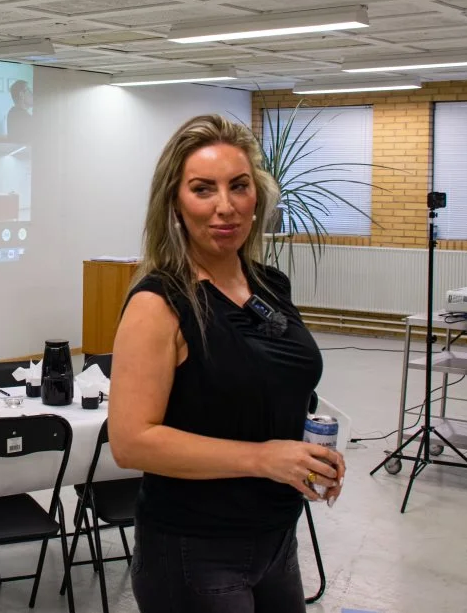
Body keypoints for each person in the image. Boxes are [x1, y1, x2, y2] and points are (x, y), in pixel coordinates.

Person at [108, 114, 345, 613]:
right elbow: (131, 442)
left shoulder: (269, 285)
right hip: (194, 549)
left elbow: (272, 391)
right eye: (202, 189)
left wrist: (308, 454)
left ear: (257, 195)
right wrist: (262, 458)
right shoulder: (160, 303)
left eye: (239, 186)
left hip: (276, 537)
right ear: (174, 202)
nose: (225, 207)